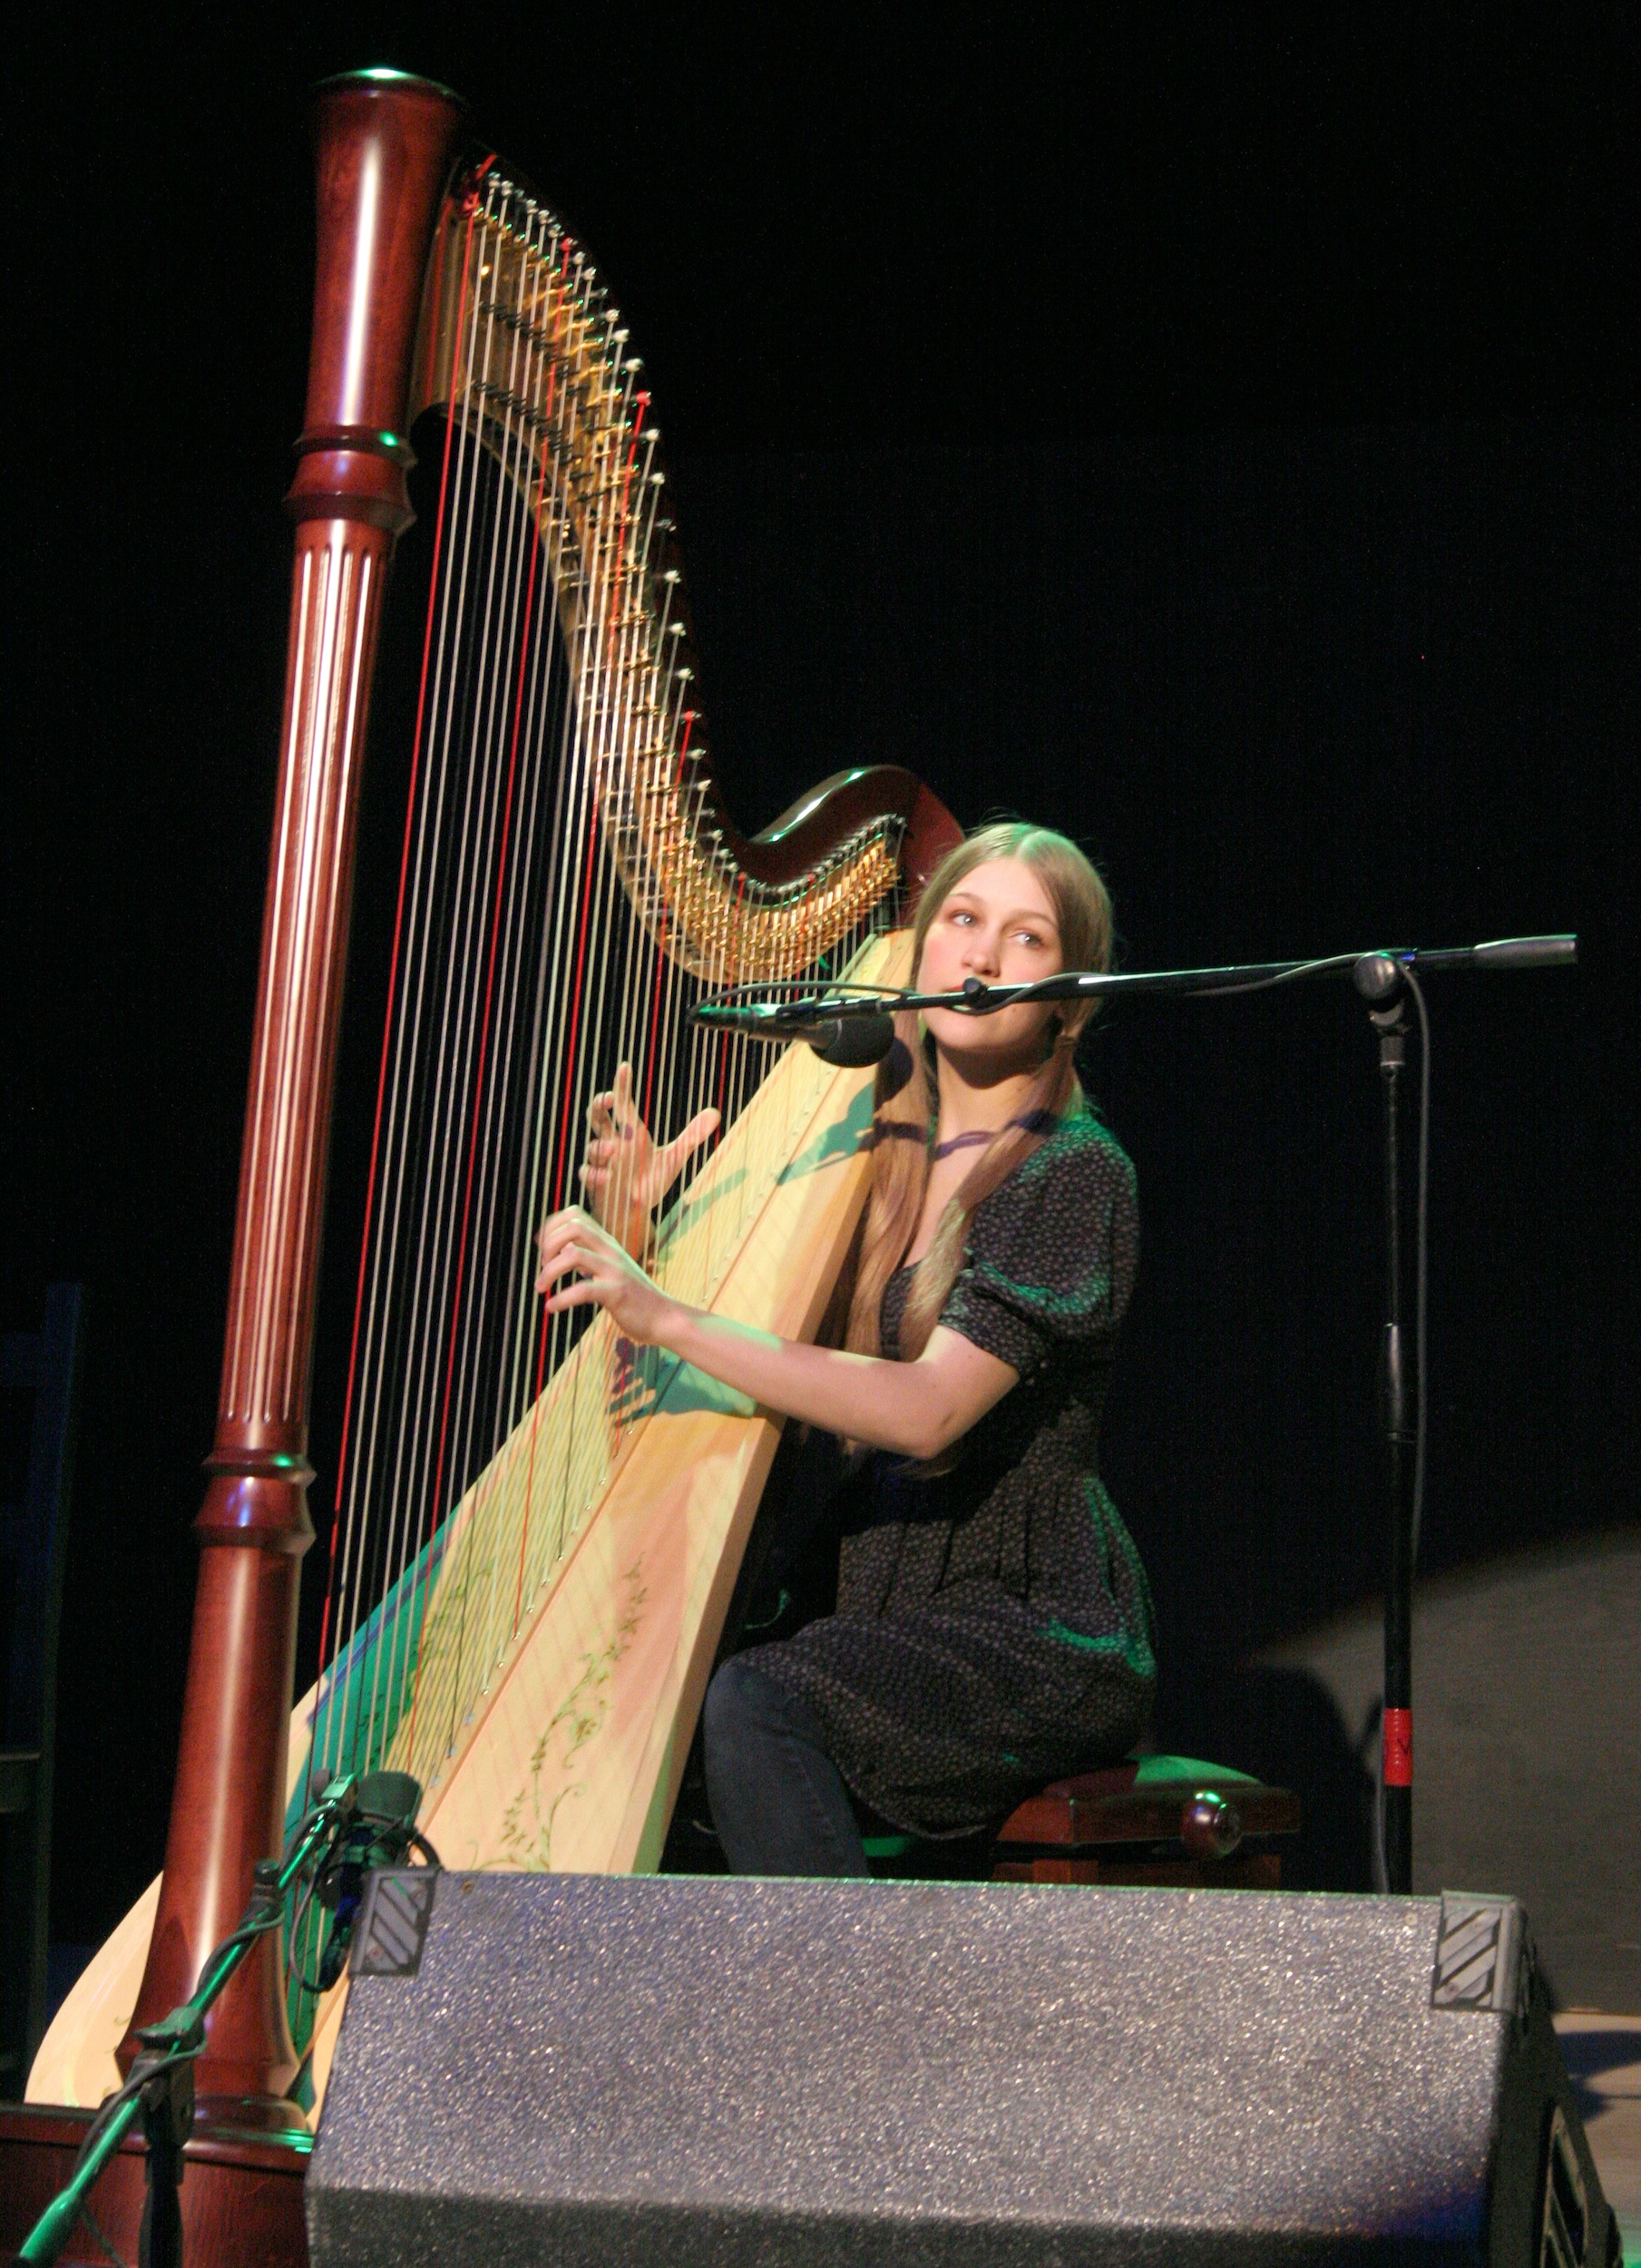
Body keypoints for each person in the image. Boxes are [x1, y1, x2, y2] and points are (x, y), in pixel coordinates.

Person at [534, 820, 1155, 1875]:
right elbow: (764, 1368)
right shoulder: (861, 1159)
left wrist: (670, 1314)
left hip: (1032, 1626)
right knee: (625, 1724)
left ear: (1070, 999)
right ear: (919, 946)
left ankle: (848, 1991)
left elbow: (925, 1410)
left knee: (756, 1704)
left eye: (1027, 937)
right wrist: (650, 1243)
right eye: (962, 918)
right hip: (879, 1605)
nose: (982, 955)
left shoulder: (1073, 1170)